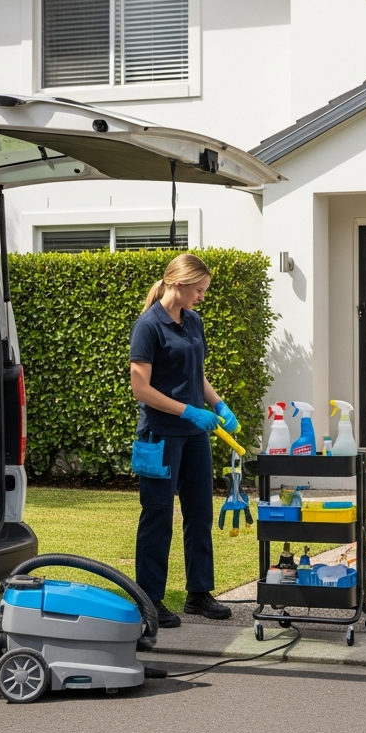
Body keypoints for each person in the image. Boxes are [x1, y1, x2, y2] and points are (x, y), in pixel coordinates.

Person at [129, 253, 240, 626]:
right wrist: (187, 411)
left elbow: (197, 375)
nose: (202, 297)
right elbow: (140, 388)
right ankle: (150, 600)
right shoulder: (149, 325)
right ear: (178, 284)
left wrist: (217, 403)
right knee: (157, 515)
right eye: (199, 290)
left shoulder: (193, 322)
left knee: (199, 513)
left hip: (194, 438)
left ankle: (199, 593)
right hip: (160, 435)